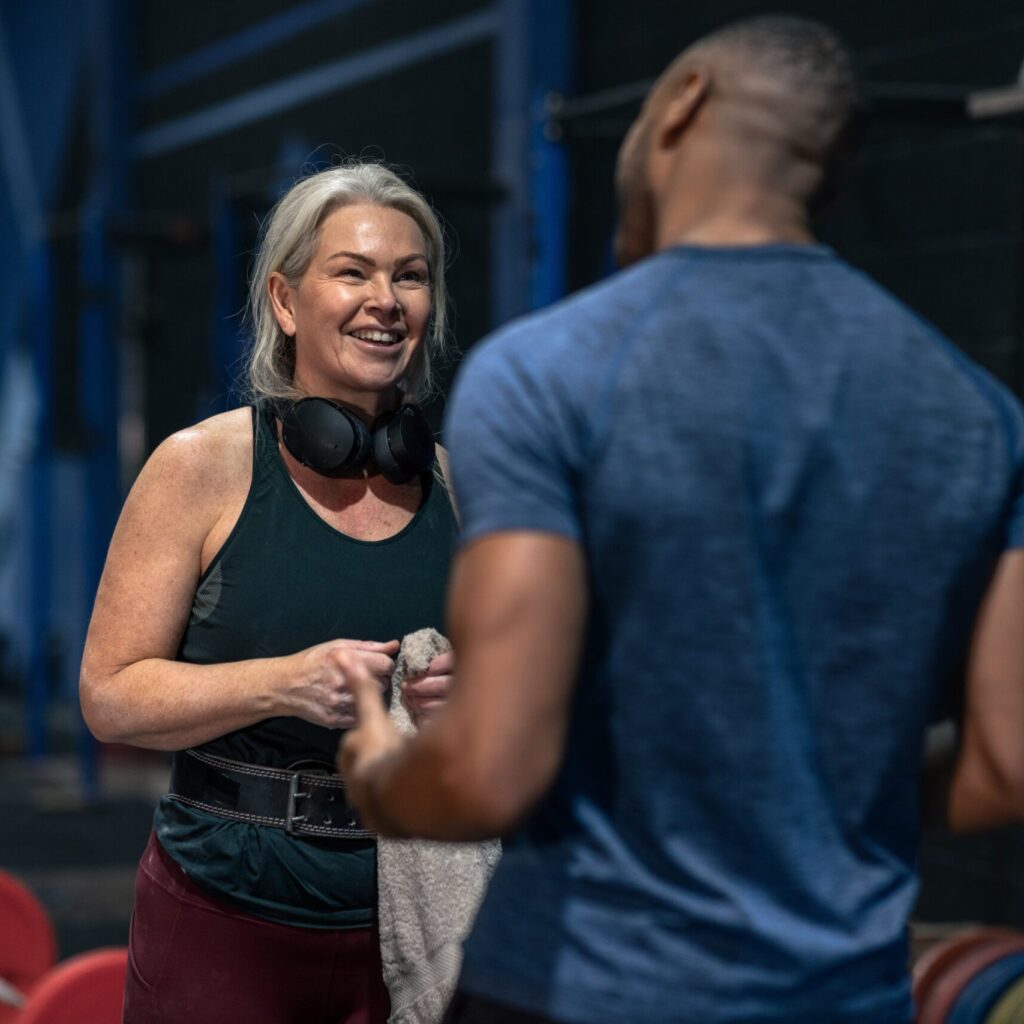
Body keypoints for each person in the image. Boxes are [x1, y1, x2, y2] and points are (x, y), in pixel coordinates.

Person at [339, 15, 1024, 1024]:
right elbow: (1006, 766)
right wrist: (813, 786)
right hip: (842, 999)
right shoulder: (981, 415)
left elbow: (486, 771)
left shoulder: (547, 373)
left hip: (581, 992)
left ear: (683, 103)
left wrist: (379, 772)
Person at [79, 162, 460, 1024]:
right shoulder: (202, 466)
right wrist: (283, 683)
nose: (385, 300)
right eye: (353, 272)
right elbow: (108, 697)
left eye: (409, 276)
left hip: (403, 920)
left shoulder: (450, 482)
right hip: (223, 910)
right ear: (286, 302)